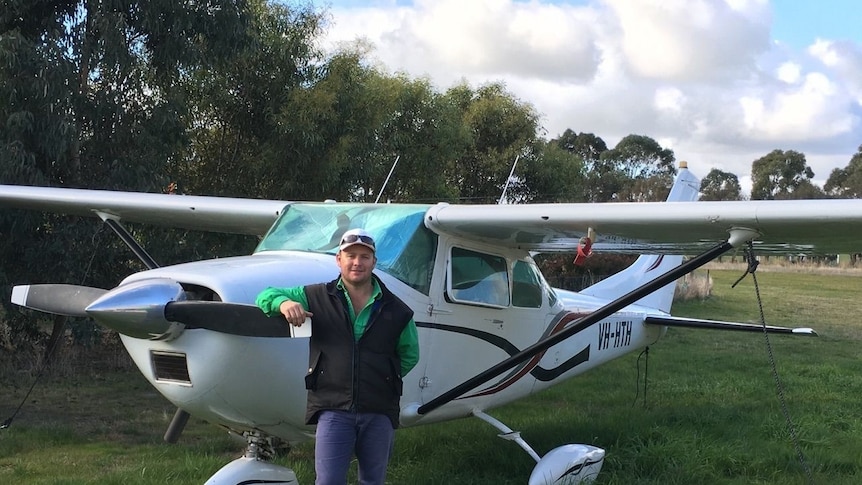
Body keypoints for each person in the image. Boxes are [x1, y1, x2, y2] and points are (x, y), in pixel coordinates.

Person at [256, 228, 419, 485]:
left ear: (374, 262)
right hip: (333, 409)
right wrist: (284, 304)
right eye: (350, 255)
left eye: (364, 256)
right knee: (328, 481)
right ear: (339, 260)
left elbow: (410, 355)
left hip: (379, 410)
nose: (357, 262)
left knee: (373, 481)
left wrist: (383, 378)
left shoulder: (398, 310)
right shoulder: (315, 296)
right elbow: (265, 295)